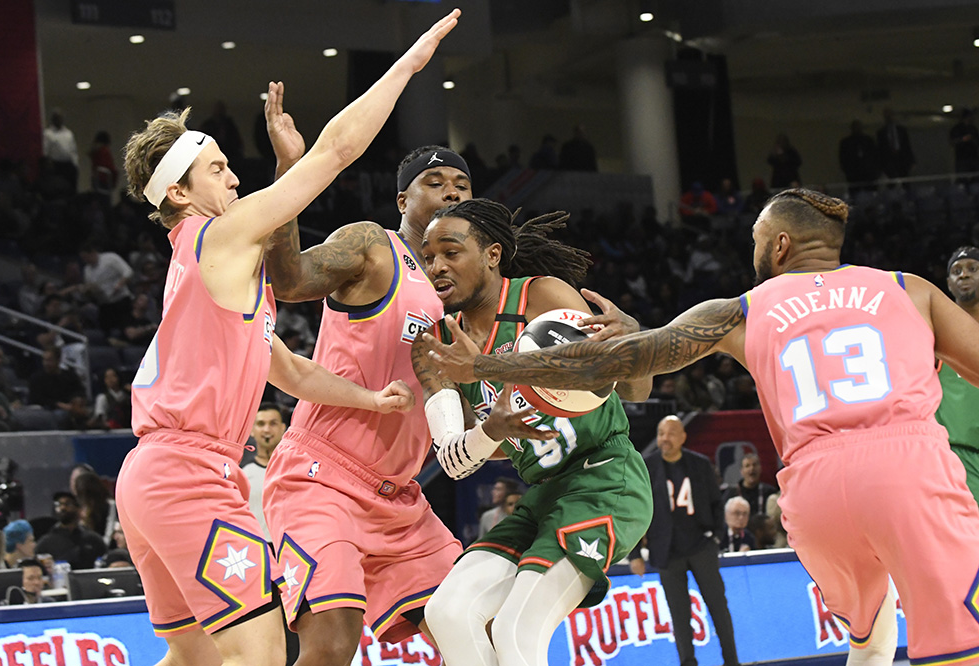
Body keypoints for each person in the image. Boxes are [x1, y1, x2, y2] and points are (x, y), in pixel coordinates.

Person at [424, 187, 979, 665]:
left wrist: (487, 367)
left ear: (778, 245)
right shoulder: (909, 289)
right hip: (906, 468)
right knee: (956, 639)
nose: (754, 250)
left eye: (757, 240)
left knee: (870, 626)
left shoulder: (742, 308)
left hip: (815, 492)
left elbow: (619, 367)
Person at [115, 11, 458, 666]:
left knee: (194, 659)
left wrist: (369, 398)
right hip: (192, 473)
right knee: (262, 651)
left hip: (148, 476)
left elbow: (291, 372)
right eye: (218, 170)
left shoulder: (198, 264)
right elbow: (336, 153)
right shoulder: (220, 236)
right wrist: (408, 66)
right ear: (182, 193)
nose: (235, 181)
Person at [261, 57, 470, 666]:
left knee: (470, 630)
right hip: (323, 477)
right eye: (438, 183)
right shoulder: (373, 248)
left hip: (403, 494)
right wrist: (289, 172)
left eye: (462, 187)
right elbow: (290, 277)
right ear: (403, 197)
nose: (454, 192)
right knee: (331, 645)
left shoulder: (467, 287)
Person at [411, 198, 652, 666]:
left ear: (492, 255)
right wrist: (493, 431)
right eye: (428, 256)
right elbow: (454, 459)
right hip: (544, 493)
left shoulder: (541, 297)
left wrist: (631, 341)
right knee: (448, 613)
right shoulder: (439, 342)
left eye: (450, 252)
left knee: (516, 631)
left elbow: (636, 388)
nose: (436, 266)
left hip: (605, 476)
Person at [628, 415, 740, 666]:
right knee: (679, 615)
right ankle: (688, 662)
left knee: (718, 608)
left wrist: (717, 537)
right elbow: (635, 511)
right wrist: (634, 554)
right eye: (660, 433)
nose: (664, 439)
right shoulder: (646, 467)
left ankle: (732, 661)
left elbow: (716, 503)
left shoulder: (699, 464)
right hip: (666, 551)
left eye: (670, 433)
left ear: (682, 437)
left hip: (701, 546)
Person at [935, 246, 979, 503]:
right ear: (949, 284)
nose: (964, 275)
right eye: (957, 271)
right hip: (958, 456)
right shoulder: (934, 329)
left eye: (973, 269)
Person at [243, 403, 287, 542]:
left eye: (273, 423)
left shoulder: (296, 469)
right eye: (261, 424)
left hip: (291, 546)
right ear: (252, 430)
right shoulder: (241, 472)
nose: (267, 429)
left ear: (283, 428)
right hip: (256, 546)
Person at [35, 491, 107, 570]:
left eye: (67, 504)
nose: (62, 508)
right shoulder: (45, 543)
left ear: (79, 509)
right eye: (59, 504)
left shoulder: (93, 539)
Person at [43, 109, 78, 193]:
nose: (59, 119)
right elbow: (45, 150)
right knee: (59, 190)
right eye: (57, 117)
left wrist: (75, 164)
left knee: (71, 190)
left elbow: (73, 150)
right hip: (56, 166)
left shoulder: (69, 133)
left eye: (61, 117)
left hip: (69, 166)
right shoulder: (48, 133)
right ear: (53, 119)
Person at [838, 120, 878, 194]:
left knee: (870, 194)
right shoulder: (846, 142)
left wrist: (874, 171)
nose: (857, 129)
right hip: (853, 174)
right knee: (855, 194)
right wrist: (848, 171)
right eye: (855, 127)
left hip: (868, 174)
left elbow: (874, 156)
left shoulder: (868, 140)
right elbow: (843, 159)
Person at [876, 108, 914, 179]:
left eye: (890, 115)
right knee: (892, 182)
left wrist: (911, 160)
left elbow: (907, 145)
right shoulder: (881, 132)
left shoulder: (901, 130)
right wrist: (880, 166)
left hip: (902, 159)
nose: (889, 118)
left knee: (905, 180)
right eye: (887, 116)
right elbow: (880, 149)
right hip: (888, 161)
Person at [951, 109, 979, 177]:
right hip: (962, 158)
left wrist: (972, 140)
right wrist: (963, 139)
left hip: (973, 157)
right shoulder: (957, 129)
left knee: (975, 177)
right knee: (962, 177)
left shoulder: (973, 128)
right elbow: (953, 142)